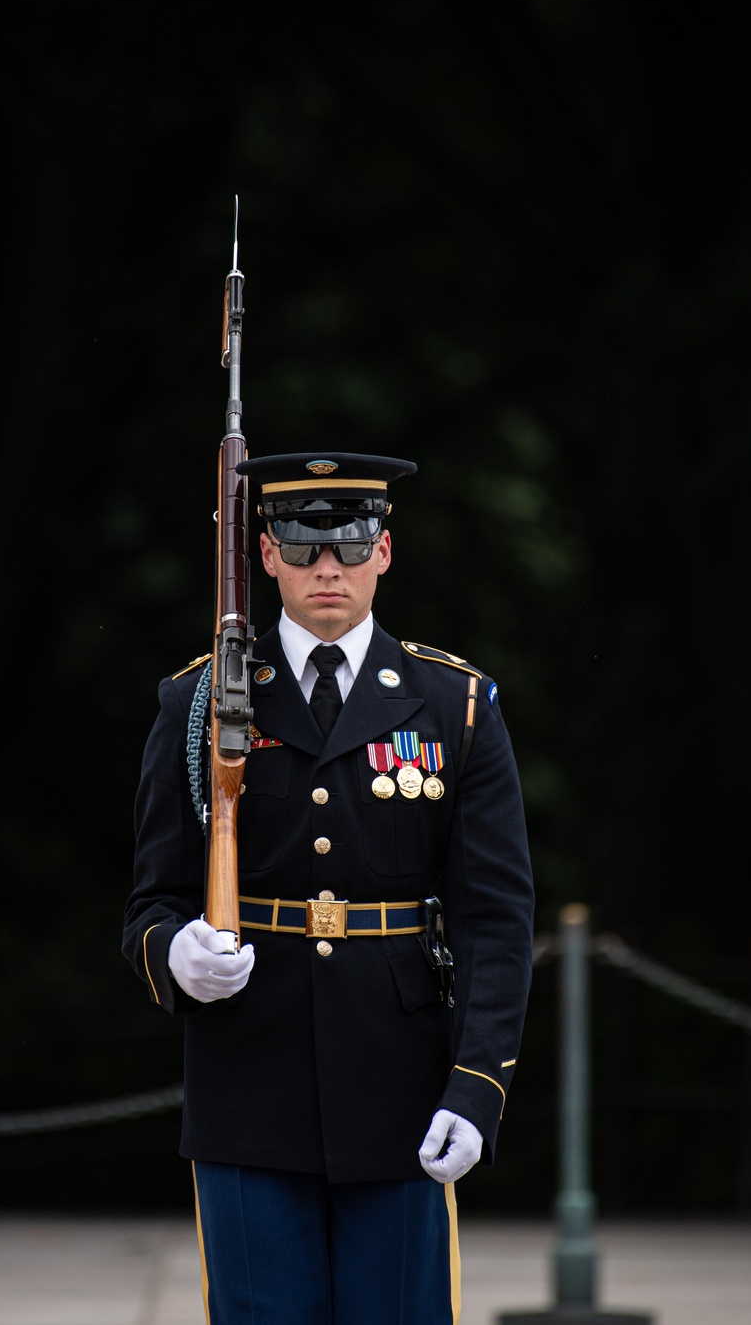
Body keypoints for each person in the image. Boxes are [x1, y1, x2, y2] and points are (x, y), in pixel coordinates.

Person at [123, 452, 534, 1325]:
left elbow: (494, 919)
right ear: (265, 556)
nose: (328, 569)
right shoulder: (198, 703)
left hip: (402, 1088)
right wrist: (175, 954)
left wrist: (475, 1084)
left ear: (385, 552)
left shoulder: (453, 705)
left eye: (349, 547)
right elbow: (151, 901)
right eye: (304, 548)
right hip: (248, 1087)